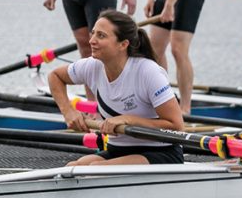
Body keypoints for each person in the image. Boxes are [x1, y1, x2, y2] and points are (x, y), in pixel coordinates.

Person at [47, 9, 185, 166]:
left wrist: (128, 119)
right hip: (118, 149)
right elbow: (55, 76)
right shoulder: (91, 66)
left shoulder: (148, 72)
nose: (91, 40)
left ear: (123, 44)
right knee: (72, 168)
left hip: (161, 152)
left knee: (95, 169)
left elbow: (177, 127)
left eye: (101, 36)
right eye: (93, 33)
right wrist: (68, 112)